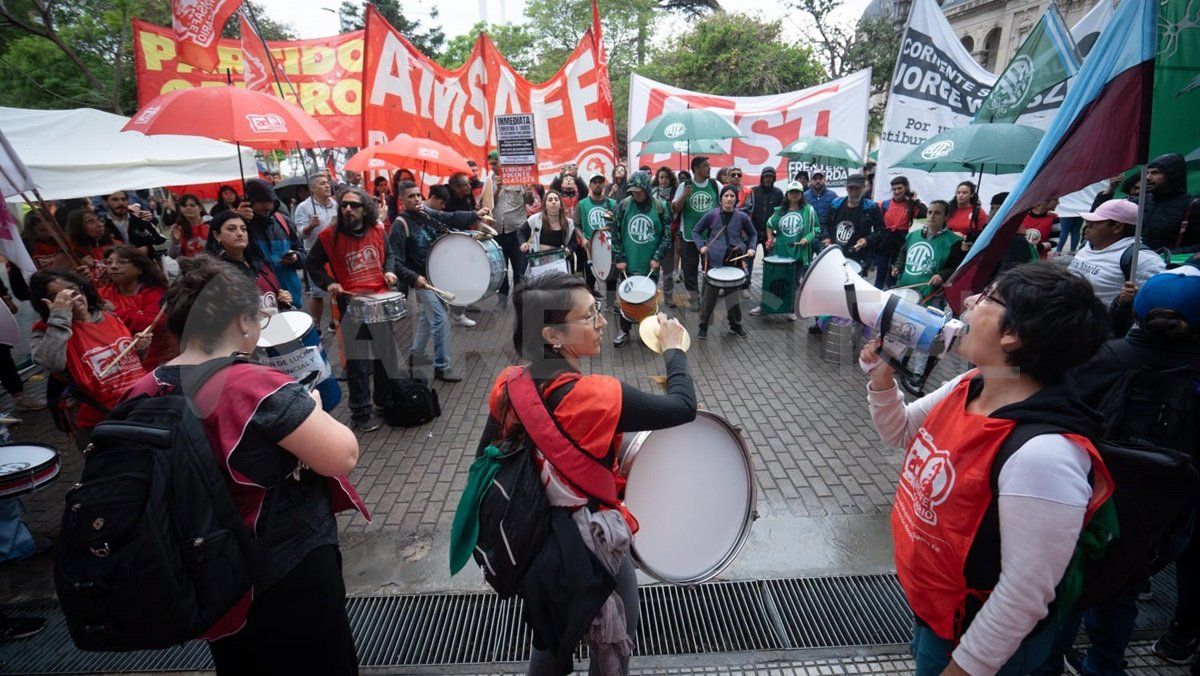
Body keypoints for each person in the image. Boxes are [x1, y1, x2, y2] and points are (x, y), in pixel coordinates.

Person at [861, 262, 1111, 676]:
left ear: (1013, 336)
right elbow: (901, 430)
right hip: (935, 612)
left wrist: (964, 668)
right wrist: (883, 375)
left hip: (973, 643)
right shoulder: (971, 383)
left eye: (988, 297)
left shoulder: (1044, 456)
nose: (970, 302)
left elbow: (1022, 594)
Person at [124, 255, 364, 675]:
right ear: (241, 321)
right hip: (284, 565)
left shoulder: (142, 391)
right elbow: (342, 454)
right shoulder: (252, 384)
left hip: (203, 571)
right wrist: (311, 407)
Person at [480, 271, 695, 676]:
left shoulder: (508, 384)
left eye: (598, 310)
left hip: (534, 543)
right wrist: (674, 349)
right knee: (615, 641)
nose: (602, 322)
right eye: (590, 315)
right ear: (553, 336)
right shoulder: (596, 396)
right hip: (594, 543)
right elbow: (683, 406)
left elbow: (493, 454)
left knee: (550, 644)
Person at [1038, 268, 1200, 674]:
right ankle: (1105, 666)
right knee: (1120, 595)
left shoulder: (1103, 359)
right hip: (1158, 521)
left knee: (1069, 595)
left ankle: (1047, 665)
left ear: (1140, 311)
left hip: (1087, 509)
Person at [306, 187, 398, 432]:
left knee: (385, 357)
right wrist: (328, 283)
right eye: (344, 204)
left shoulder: (378, 230)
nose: (348, 209)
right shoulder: (328, 236)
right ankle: (360, 413)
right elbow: (312, 264)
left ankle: (383, 402)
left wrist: (389, 270)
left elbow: (389, 255)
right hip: (351, 303)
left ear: (365, 208)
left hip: (380, 301)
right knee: (357, 362)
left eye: (354, 205)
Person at [30, 269, 148, 450]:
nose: (72, 300)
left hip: (140, 407)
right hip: (99, 419)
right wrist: (60, 317)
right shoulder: (45, 330)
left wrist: (140, 348)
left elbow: (129, 362)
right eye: (59, 297)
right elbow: (50, 363)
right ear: (45, 303)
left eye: (73, 291)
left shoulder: (109, 317)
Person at [390, 181, 489, 384]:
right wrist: (413, 278)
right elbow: (395, 262)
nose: (416, 199)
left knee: (428, 317)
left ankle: (417, 354)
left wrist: (474, 215)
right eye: (411, 196)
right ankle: (442, 367)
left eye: (418, 195)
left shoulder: (426, 213)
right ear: (401, 201)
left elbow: (450, 217)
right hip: (422, 280)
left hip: (435, 275)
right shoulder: (400, 225)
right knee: (440, 318)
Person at [609, 171, 671, 346]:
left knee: (648, 299)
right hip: (628, 262)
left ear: (646, 188)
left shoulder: (661, 207)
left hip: (650, 263)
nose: (636, 194)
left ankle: (648, 331)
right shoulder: (623, 205)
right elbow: (615, 233)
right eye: (633, 191)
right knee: (626, 298)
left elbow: (667, 235)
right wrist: (619, 257)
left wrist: (658, 256)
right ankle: (624, 330)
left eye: (639, 191)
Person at [1068, 199, 1165, 306]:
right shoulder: (1086, 245)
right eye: (1087, 221)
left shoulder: (1142, 259)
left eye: (1094, 222)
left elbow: (1156, 302)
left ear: (1117, 227)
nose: (1087, 226)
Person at [693, 185, 756, 339]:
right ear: (721, 199)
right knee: (708, 299)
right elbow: (696, 231)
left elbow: (753, 234)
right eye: (726, 195)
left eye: (732, 196)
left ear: (736, 199)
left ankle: (735, 325)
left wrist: (751, 248)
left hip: (734, 261)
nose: (729, 199)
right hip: (713, 262)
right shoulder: (711, 215)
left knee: (733, 298)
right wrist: (701, 246)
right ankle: (703, 326)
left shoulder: (741, 217)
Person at [751, 181, 819, 321]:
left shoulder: (808, 210)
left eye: (797, 192)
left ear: (801, 194)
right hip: (780, 252)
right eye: (791, 192)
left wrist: (807, 238)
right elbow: (769, 224)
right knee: (773, 279)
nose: (794, 195)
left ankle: (792, 309)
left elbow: (815, 229)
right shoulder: (780, 211)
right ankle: (766, 307)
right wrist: (770, 239)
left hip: (798, 253)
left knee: (794, 281)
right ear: (787, 194)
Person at [101, 245, 175, 369]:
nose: (113, 266)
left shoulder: (154, 293)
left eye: (122, 262)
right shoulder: (102, 294)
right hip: (117, 363)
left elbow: (153, 323)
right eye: (109, 262)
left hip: (155, 361)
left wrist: (116, 312)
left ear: (140, 269)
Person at [208, 211, 294, 314]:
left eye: (243, 229)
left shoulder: (260, 262)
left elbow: (273, 293)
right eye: (231, 229)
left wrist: (281, 297)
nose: (240, 233)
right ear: (217, 235)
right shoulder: (216, 272)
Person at [238, 178, 305, 306]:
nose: (267, 206)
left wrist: (296, 258)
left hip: (291, 295)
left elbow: (302, 252)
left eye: (270, 201)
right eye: (261, 202)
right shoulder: (241, 225)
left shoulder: (283, 221)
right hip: (261, 300)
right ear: (249, 202)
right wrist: (239, 219)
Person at [673, 156, 722, 307]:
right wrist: (684, 195)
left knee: (710, 267)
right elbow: (674, 208)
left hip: (710, 236)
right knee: (689, 268)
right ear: (696, 169)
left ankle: (707, 296)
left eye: (709, 165)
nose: (709, 168)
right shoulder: (685, 186)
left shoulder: (715, 185)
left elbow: (725, 203)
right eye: (706, 166)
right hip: (689, 234)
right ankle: (694, 297)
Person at [892, 200, 962, 302]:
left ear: (946, 217)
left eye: (937, 213)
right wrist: (898, 266)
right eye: (929, 212)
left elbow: (956, 267)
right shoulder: (913, 235)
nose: (932, 216)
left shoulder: (954, 241)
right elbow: (903, 254)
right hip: (904, 286)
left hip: (928, 294)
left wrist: (941, 275)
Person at [292, 173, 339, 325]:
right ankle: (317, 324)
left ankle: (335, 321)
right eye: (322, 183)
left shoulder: (336, 204)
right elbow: (301, 234)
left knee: (337, 289)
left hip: (336, 253)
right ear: (312, 188)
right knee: (317, 293)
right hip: (315, 254)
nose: (327, 186)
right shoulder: (304, 207)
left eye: (327, 183)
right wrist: (310, 226)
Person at [485, 151, 528, 303]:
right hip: (497, 231)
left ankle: (519, 299)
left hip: (517, 231)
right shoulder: (489, 181)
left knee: (519, 268)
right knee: (501, 268)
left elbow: (530, 201)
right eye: (491, 164)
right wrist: (497, 189)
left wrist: (529, 189)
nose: (493, 167)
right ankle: (502, 298)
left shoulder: (519, 178)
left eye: (495, 163)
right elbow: (486, 206)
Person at [874, 177, 927, 288]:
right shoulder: (884, 204)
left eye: (900, 188)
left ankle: (891, 301)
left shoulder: (911, 205)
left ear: (906, 188)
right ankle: (875, 302)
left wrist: (914, 201)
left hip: (900, 246)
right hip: (883, 245)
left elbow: (925, 213)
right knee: (880, 276)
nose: (897, 191)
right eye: (894, 189)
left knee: (893, 277)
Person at [1141, 153, 1200, 254]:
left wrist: (1168, 254)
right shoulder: (1143, 200)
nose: (1148, 177)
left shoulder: (1193, 206)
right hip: (1136, 264)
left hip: (1169, 267)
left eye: (1155, 173)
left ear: (1172, 175)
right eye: (1147, 173)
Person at [822, 173, 881, 264]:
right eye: (851, 188)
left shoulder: (871, 208)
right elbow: (825, 223)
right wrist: (826, 237)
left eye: (857, 188)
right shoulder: (835, 204)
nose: (853, 191)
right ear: (846, 188)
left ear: (863, 188)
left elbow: (881, 230)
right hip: (835, 253)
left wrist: (867, 239)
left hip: (857, 256)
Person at [743, 167, 784, 296]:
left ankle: (768, 285)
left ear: (774, 178)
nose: (768, 179)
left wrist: (776, 233)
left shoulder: (778, 193)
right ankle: (746, 284)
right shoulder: (753, 191)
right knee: (749, 258)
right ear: (762, 177)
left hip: (770, 233)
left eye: (771, 177)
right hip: (753, 231)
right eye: (766, 176)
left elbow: (781, 213)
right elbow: (748, 209)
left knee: (769, 259)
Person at [576, 173, 617, 292]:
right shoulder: (582, 204)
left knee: (611, 280)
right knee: (589, 280)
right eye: (595, 182)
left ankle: (610, 305)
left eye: (600, 182)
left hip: (609, 247)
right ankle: (591, 306)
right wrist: (582, 238)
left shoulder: (612, 204)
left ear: (604, 184)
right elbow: (576, 225)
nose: (597, 185)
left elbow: (617, 225)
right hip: (590, 248)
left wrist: (612, 222)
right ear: (590, 185)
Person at [54, 209, 113, 288]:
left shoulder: (113, 245)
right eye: (91, 222)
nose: (99, 224)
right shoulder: (70, 252)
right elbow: (57, 280)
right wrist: (77, 271)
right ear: (79, 226)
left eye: (99, 220)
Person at [101, 191, 167, 259]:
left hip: (142, 266)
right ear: (105, 203)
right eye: (115, 200)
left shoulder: (140, 220)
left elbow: (164, 244)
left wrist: (147, 248)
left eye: (123, 199)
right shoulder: (102, 225)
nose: (121, 203)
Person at [520, 190, 577, 260]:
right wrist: (523, 243)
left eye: (556, 200)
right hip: (537, 261)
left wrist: (569, 249)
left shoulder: (569, 223)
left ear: (560, 205)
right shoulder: (535, 219)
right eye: (550, 200)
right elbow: (521, 232)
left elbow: (573, 243)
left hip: (559, 261)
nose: (553, 202)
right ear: (545, 205)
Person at [653, 167, 680, 306]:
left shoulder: (675, 194)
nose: (663, 180)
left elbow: (676, 212)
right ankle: (651, 297)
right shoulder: (651, 193)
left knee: (668, 270)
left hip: (669, 236)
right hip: (654, 237)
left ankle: (669, 297)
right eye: (661, 177)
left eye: (666, 177)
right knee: (654, 270)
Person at [166, 193, 210, 260]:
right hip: (189, 267)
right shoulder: (176, 229)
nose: (188, 208)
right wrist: (175, 242)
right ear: (180, 209)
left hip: (213, 265)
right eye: (184, 206)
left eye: (192, 205)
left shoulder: (210, 224)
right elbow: (173, 256)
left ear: (200, 208)